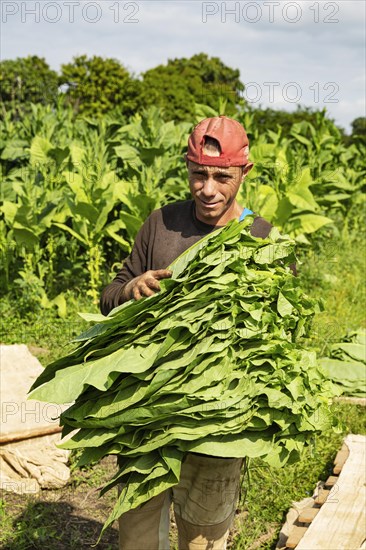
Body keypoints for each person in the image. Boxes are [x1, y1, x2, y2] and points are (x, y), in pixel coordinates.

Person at [100, 116, 273, 550]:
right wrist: (129, 290)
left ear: (244, 173)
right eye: (199, 174)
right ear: (187, 169)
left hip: (217, 418)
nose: (209, 189)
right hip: (147, 405)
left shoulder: (260, 237)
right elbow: (110, 294)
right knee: (138, 531)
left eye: (222, 176)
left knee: (204, 534)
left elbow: (275, 336)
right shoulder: (161, 224)